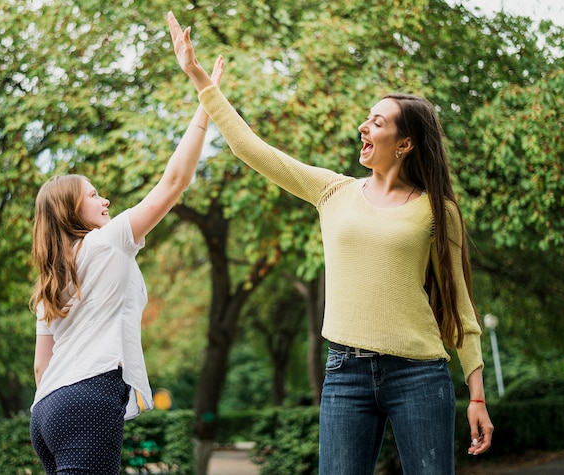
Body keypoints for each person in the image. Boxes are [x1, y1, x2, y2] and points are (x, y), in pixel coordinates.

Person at [167, 11, 493, 474]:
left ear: (404, 144)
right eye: (366, 119)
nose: (363, 127)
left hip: (419, 375)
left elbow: (461, 308)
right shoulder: (332, 190)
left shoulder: (438, 212)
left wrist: (476, 393)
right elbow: (251, 148)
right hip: (345, 374)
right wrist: (199, 78)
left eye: (377, 122)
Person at [28, 56, 224, 474]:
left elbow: (42, 365)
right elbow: (173, 183)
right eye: (94, 195)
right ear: (70, 210)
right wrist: (206, 101)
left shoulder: (50, 278)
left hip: (45, 411)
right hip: (89, 398)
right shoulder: (106, 242)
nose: (105, 202)